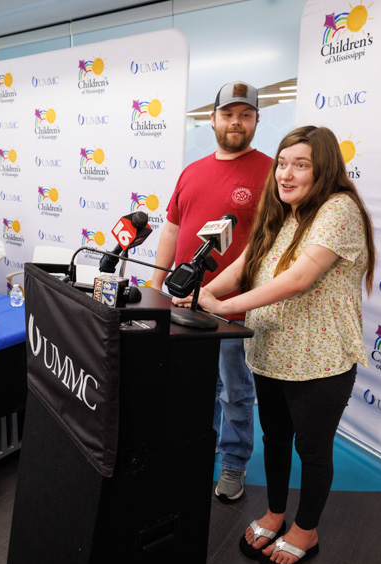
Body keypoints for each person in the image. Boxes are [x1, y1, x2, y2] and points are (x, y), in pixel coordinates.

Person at [176, 125, 376, 564]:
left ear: (323, 168)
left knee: (313, 449)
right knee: (276, 439)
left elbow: (299, 278)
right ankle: (275, 513)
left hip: (319, 362)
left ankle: (306, 530)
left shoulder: (338, 209)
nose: (286, 174)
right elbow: (246, 265)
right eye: (282, 164)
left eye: (300, 165)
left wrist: (222, 306)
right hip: (271, 352)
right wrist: (198, 292)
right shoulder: (286, 214)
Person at [152, 81, 273, 502]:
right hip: (179, 302)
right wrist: (155, 288)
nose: (235, 122)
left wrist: (217, 294)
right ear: (213, 119)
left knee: (234, 391)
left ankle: (233, 465)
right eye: (228, 114)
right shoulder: (191, 170)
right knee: (187, 388)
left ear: (257, 120)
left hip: (229, 308)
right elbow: (171, 229)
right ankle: (191, 455)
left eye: (245, 115)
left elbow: (267, 244)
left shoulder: (271, 172)